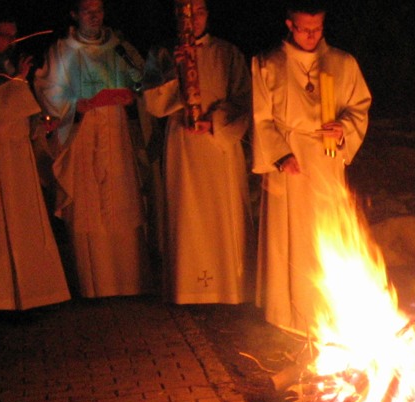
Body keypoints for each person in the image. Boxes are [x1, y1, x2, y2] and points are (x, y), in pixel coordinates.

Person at [251, 2, 371, 333]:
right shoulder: (268, 63)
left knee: (326, 233)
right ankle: (289, 313)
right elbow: (261, 118)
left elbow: (359, 106)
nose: (311, 35)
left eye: (317, 28)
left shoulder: (341, 62)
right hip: (290, 162)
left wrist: (344, 127)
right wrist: (280, 154)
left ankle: (329, 310)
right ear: (290, 24)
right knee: (291, 236)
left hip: (326, 161)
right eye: (304, 29)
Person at [34, 0, 151, 298]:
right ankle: (94, 287)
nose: (95, 16)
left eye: (98, 9)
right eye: (87, 10)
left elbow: (145, 81)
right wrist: (79, 104)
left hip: (117, 134)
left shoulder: (119, 47)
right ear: (74, 14)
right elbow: (48, 90)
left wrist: (133, 95)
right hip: (82, 134)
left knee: (121, 202)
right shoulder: (62, 51)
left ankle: (130, 284)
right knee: (89, 207)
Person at [143, 0, 254, 304]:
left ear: (208, 14)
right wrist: (173, 71)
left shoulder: (227, 53)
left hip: (218, 145)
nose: (194, 20)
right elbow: (153, 104)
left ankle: (227, 290)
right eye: (187, 13)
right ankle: (186, 290)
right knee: (186, 212)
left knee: (221, 212)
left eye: (201, 11)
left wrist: (216, 122)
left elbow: (244, 100)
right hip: (183, 144)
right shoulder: (163, 53)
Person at [0, 10, 71, 312]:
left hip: (19, 154)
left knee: (27, 221)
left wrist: (40, 125)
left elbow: (24, 111)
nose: (11, 42)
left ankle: (37, 295)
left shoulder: (9, 67)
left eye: (14, 35)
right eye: (4, 35)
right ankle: (2, 299)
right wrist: (17, 83)